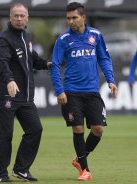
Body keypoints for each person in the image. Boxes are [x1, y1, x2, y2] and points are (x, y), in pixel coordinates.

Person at [50, 2, 118, 181]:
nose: (71, 21)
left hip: (92, 91)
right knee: (78, 128)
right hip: (71, 91)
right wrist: (59, 90)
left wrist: (111, 80)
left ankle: (80, 158)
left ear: (83, 17)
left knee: (98, 129)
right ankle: (84, 170)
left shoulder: (95, 35)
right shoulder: (63, 39)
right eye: (68, 18)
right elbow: (55, 65)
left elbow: (104, 58)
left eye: (74, 17)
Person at [0, 3, 51, 182]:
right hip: (6, 96)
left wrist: (46, 64)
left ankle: (21, 169)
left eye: (22, 15)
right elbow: (2, 62)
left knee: (35, 129)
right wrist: (10, 80)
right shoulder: (4, 39)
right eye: (15, 15)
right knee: (5, 135)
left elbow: (31, 58)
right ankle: (1, 175)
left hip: (25, 97)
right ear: (10, 17)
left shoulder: (26, 35)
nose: (19, 18)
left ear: (27, 18)